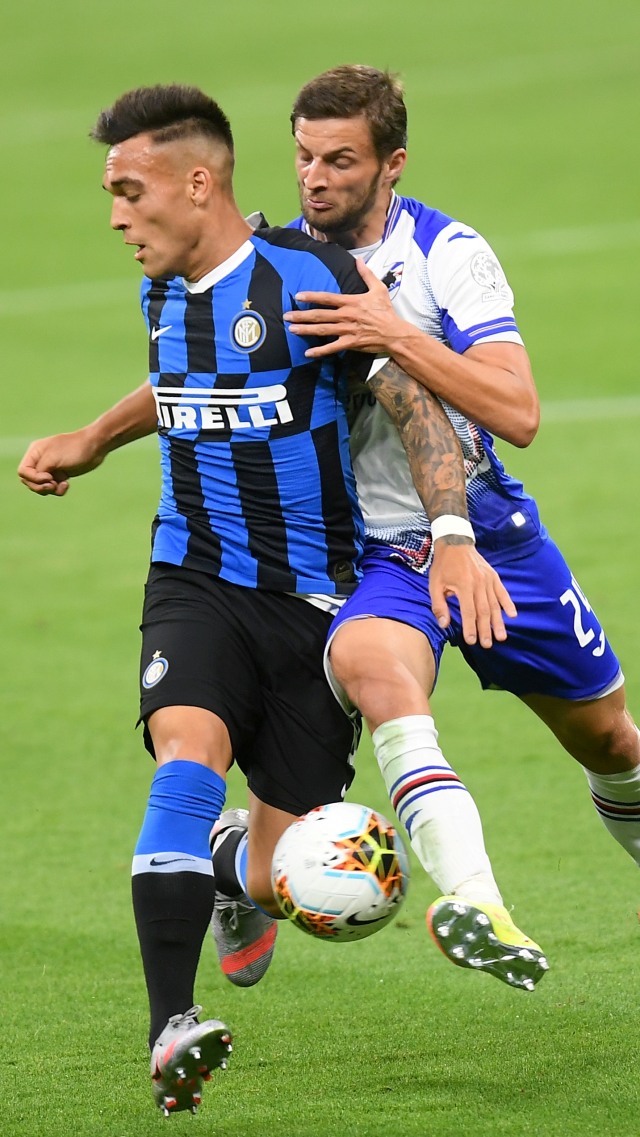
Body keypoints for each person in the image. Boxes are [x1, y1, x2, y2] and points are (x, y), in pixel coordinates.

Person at [17, 82, 512, 1114]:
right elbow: (174, 383)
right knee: (185, 747)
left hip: (310, 602)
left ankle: (237, 867)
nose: (116, 217)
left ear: (198, 185)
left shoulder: (306, 277)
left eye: (129, 192)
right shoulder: (158, 287)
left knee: (292, 874)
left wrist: (455, 539)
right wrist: (91, 442)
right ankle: (171, 1025)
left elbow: (408, 400)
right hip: (193, 578)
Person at [277, 65, 640, 977]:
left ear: (392, 164)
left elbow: (516, 411)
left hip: (484, 525)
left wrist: (395, 329)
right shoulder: (279, 260)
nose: (316, 178)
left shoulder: (448, 254)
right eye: (305, 156)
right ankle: (480, 904)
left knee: (610, 739)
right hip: (369, 553)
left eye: (341, 161)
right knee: (375, 670)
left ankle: (235, 862)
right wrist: (90, 437)